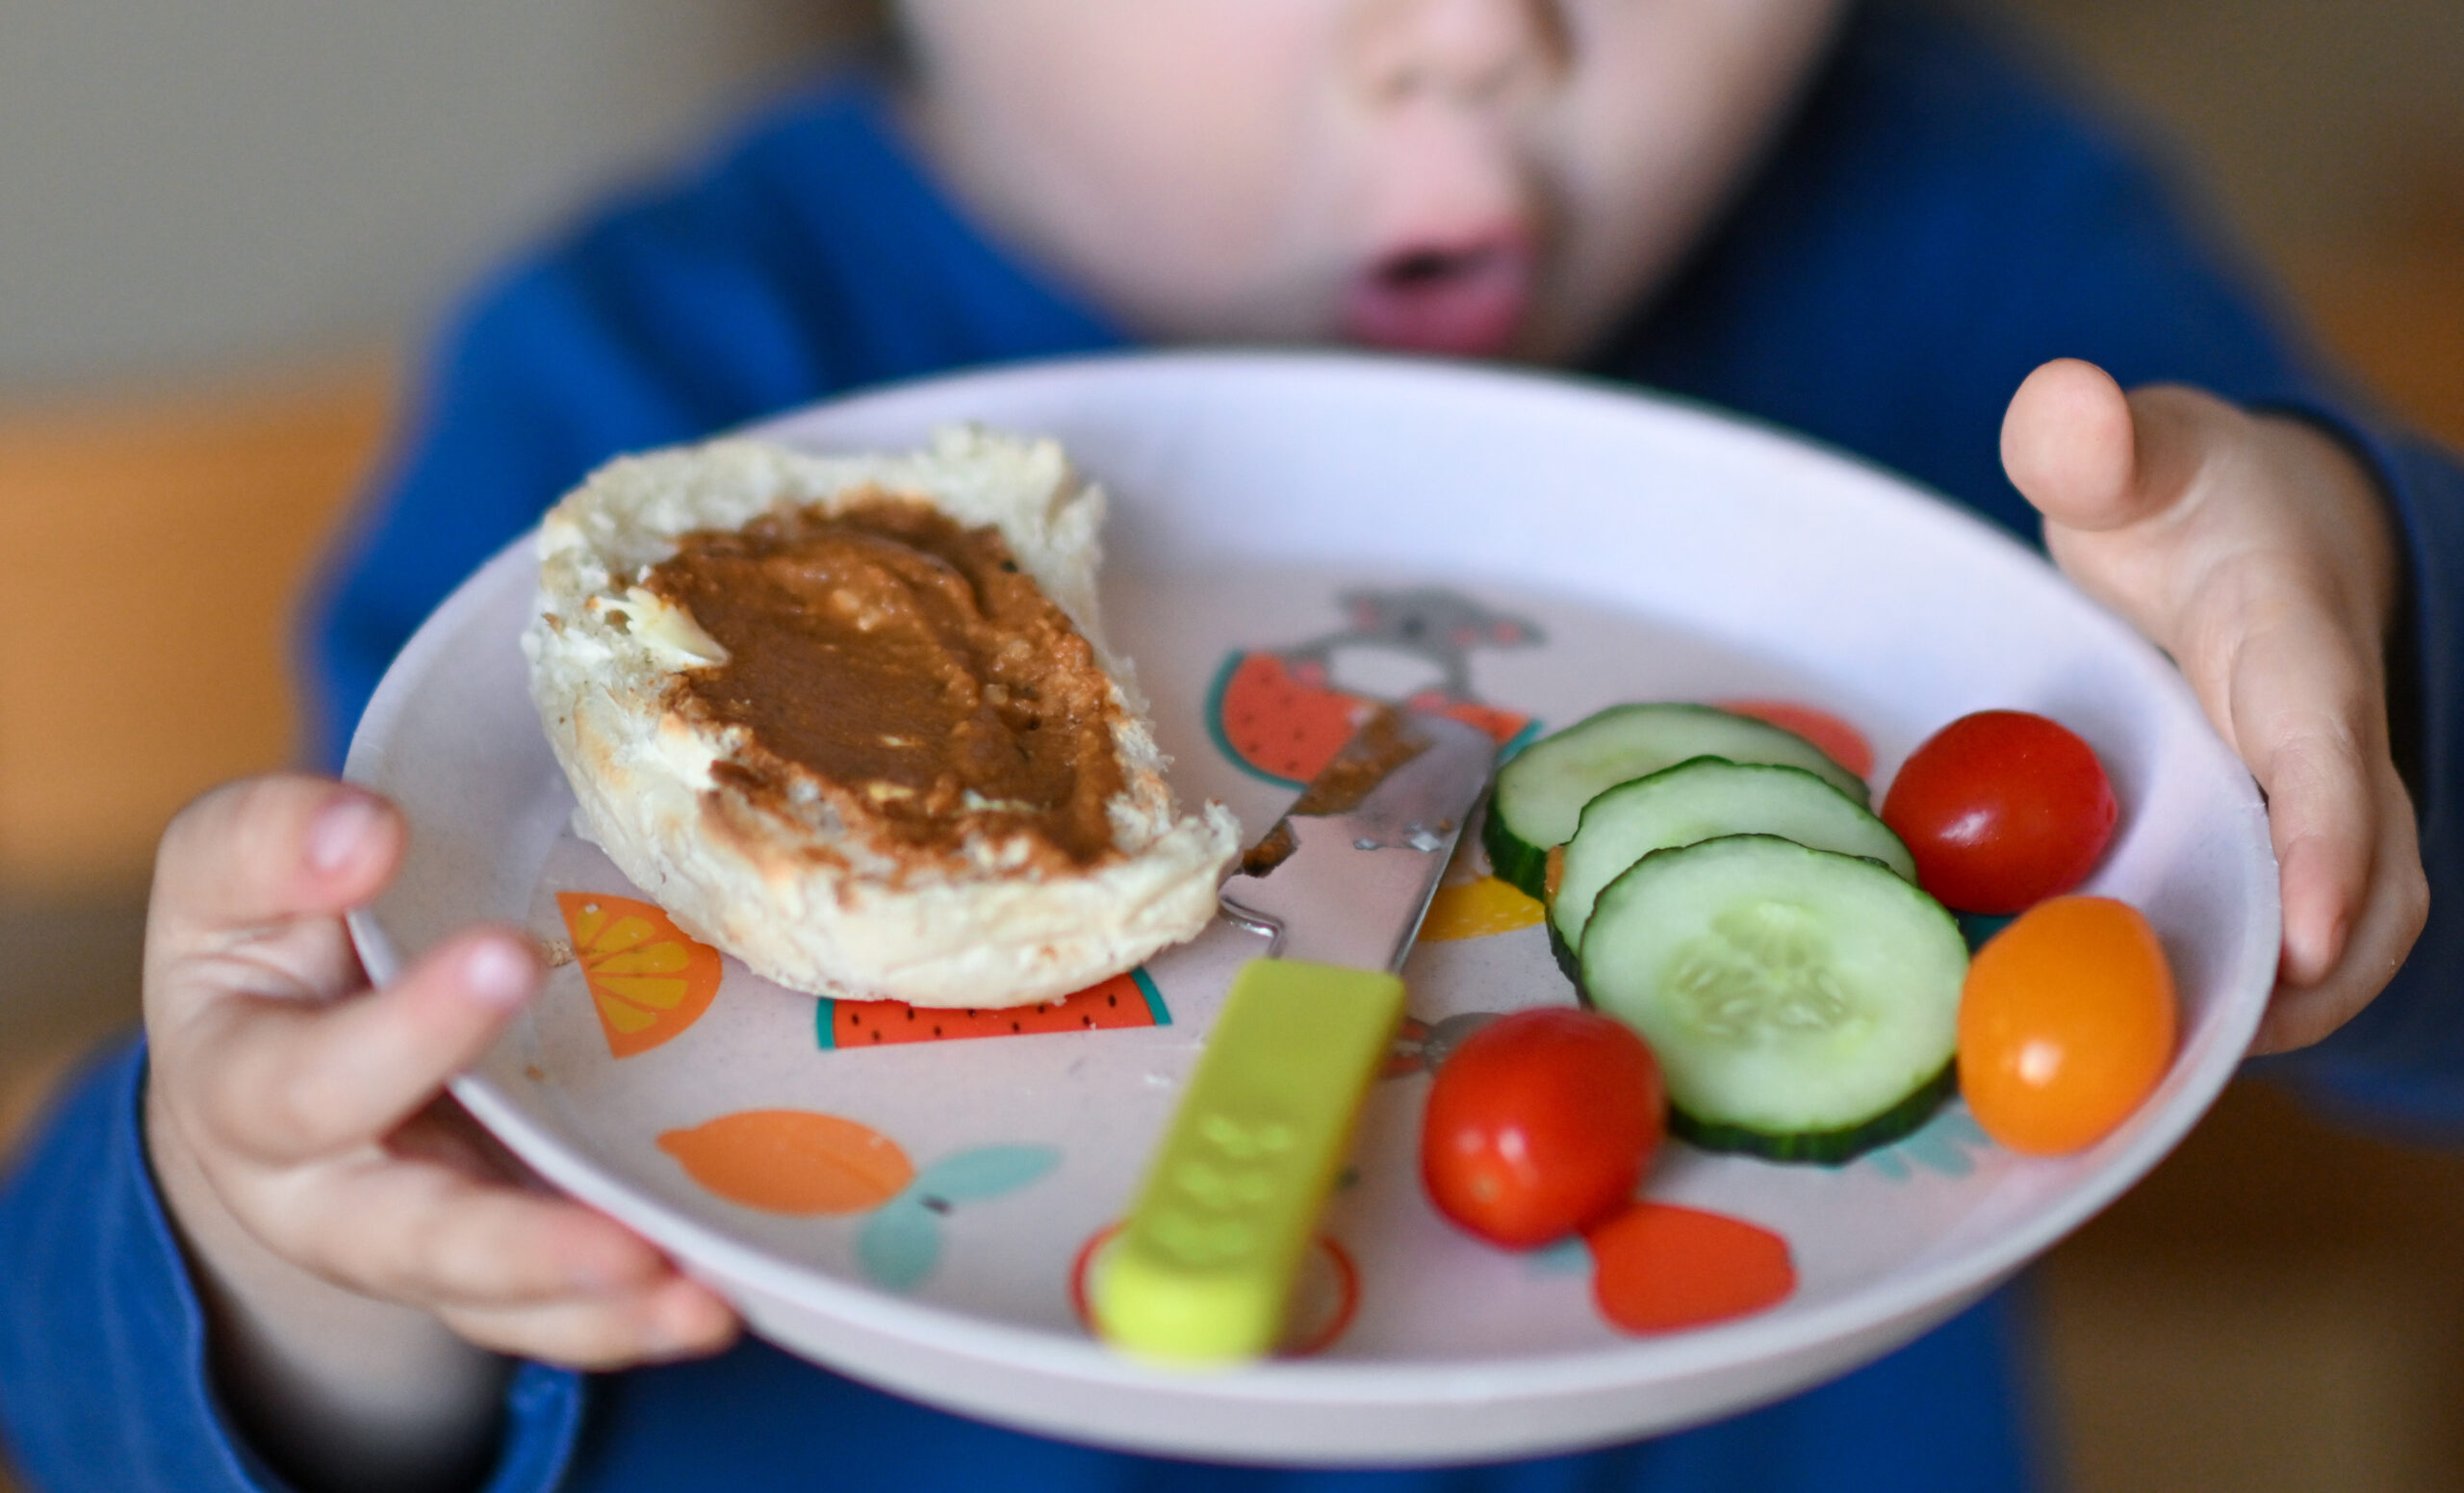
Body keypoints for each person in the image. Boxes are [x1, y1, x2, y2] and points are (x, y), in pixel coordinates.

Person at [3, 2, 2456, 1490]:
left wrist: (2352, 634)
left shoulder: (1970, 260)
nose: (1474, 36)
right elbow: (120, 1367)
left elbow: (2352, 903)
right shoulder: (626, 408)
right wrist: (288, 1264)